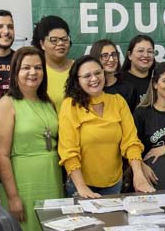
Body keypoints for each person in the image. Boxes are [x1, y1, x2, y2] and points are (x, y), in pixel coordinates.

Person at [0, 46, 66, 231]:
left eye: (37, 67)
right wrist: (13, 197)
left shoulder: (48, 102)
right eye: (26, 68)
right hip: (23, 183)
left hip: (51, 180)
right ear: (15, 72)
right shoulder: (6, 104)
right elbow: (1, 154)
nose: (32, 72)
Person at [58, 55, 156, 199]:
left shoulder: (118, 102)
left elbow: (131, 142)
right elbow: (68, 151)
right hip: (80, 185)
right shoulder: (70, 105)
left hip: (114, 184)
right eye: (87, 76)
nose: (94, 79)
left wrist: (138, 175)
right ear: (77, 81)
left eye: (98, 73)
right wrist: (81, 188)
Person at [32, 14, 73, 110]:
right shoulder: (36, 72)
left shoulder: (80, 68)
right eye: (54, 40)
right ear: (42, 44)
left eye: (64, 39)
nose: (60, 44)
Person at [89, 38, 138, 107]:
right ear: (96, 58)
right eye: (105, 56)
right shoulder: (89, 87)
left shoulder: (128, 88)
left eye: (114, 54)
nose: (111, 59)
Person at [120, 34, 156, 102]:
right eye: (140, 51)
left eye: (150, 51)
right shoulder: (119, 81)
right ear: (129, 55)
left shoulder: (158, 80)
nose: (146, 55)